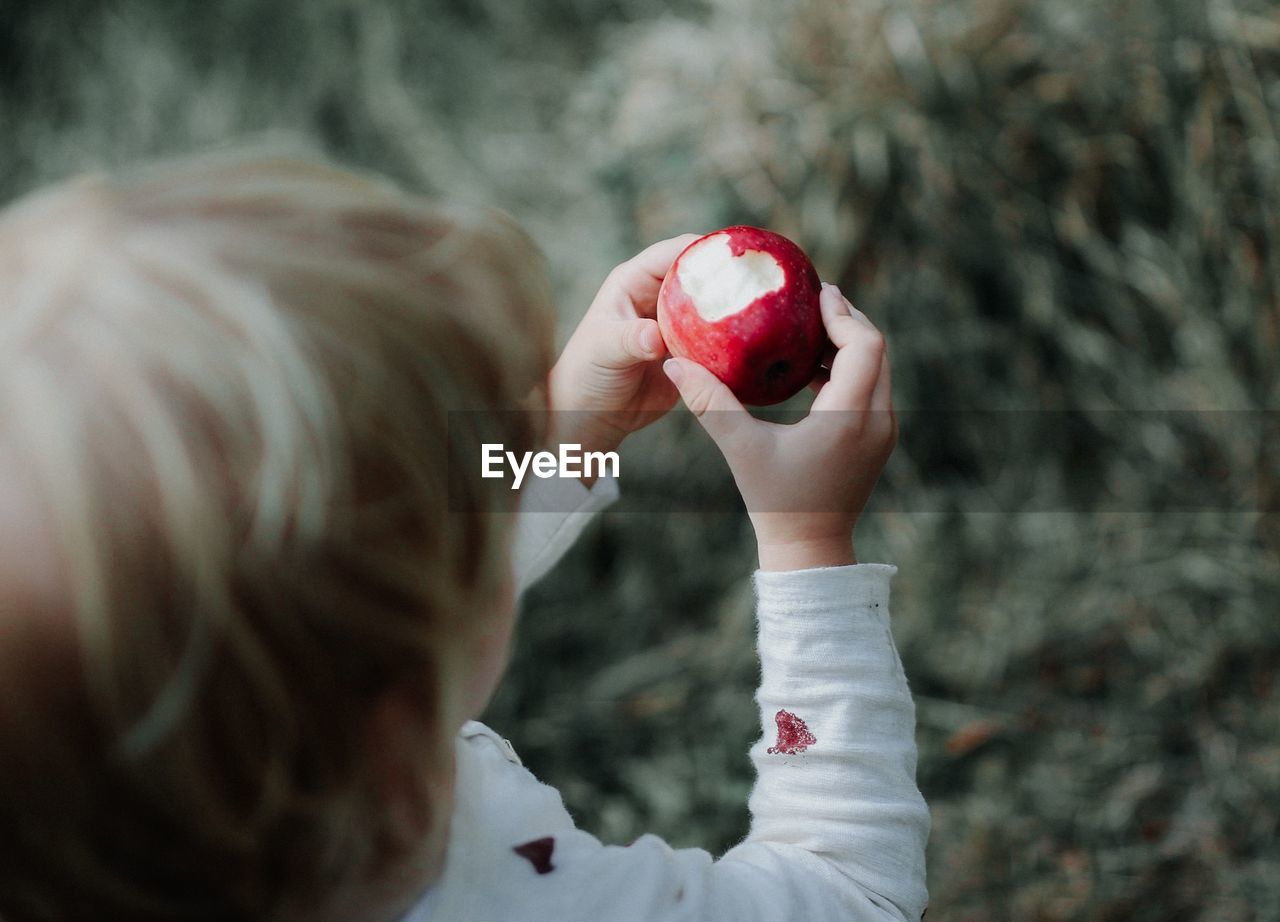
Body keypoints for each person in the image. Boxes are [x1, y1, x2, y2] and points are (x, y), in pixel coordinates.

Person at [0, 150, 928, 921]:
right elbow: (849, 890)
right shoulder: (530, 899)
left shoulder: (156, 804)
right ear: (397, 710)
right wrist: (808, 546)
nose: (476, 528)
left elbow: (382, 566)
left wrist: (569, 427)